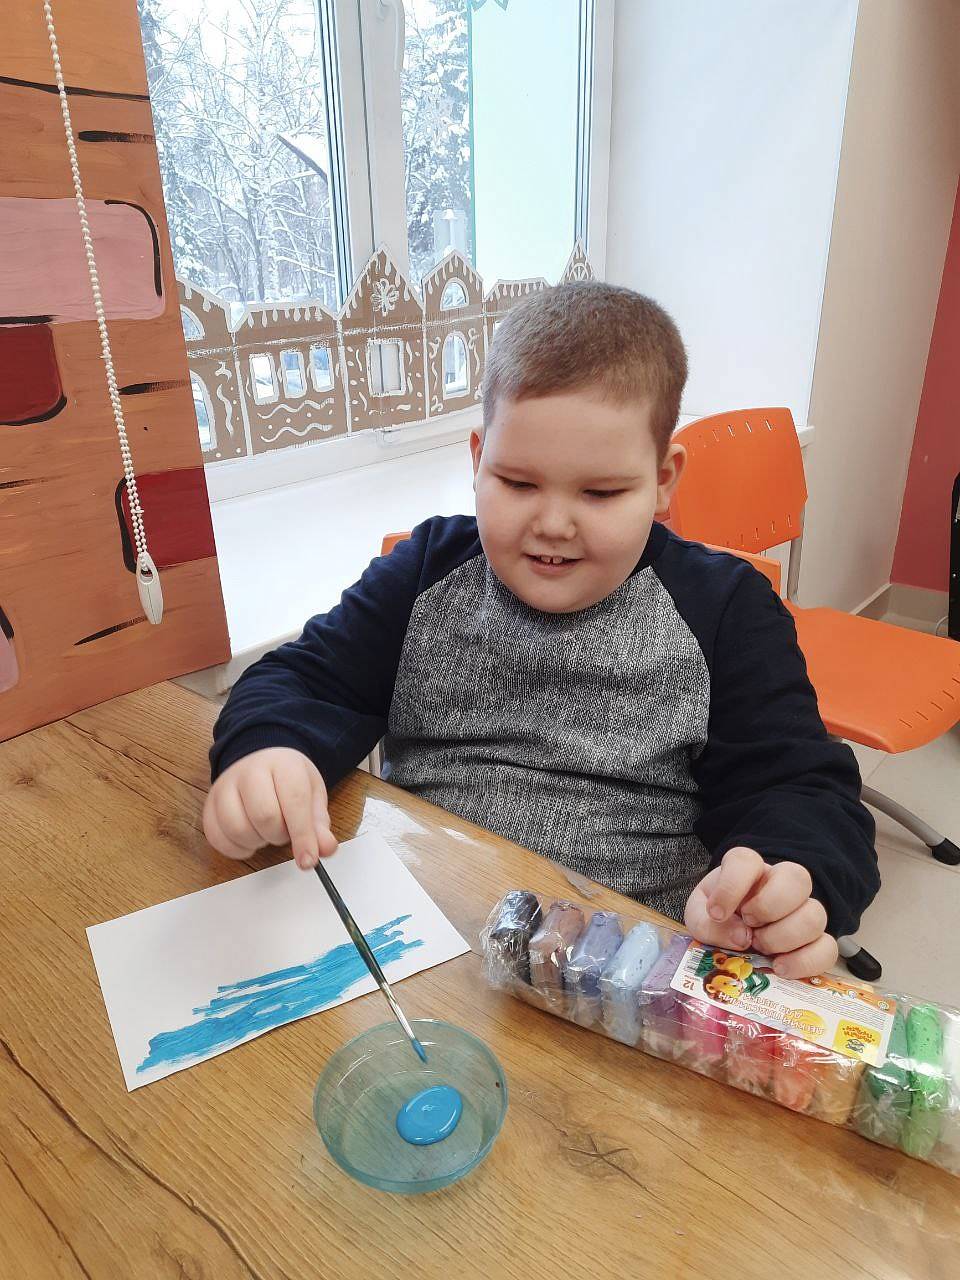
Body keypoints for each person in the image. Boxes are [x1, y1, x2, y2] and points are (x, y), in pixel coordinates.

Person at [203, 282, 879, 979]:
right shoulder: (426, 571)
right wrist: (270, 750)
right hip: (416, 939)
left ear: (663, 480)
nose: (553, 524)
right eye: (518, 483)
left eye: (600, 493)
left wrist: (784, 877)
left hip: (622, 972)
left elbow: (802, 788)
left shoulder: (725, 608)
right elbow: (303, 680)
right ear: (477, 460)